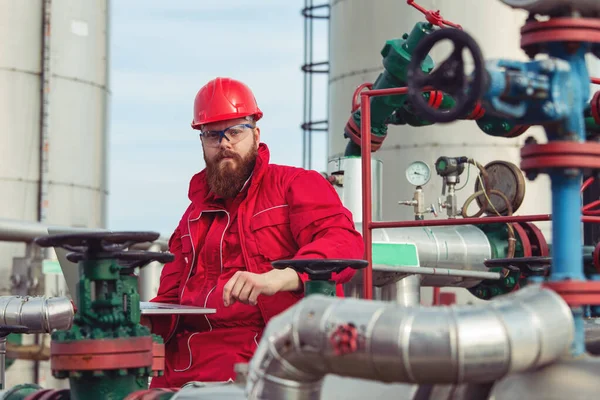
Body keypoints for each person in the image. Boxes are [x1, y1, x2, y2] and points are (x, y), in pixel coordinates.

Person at [143, 77, 364, 388]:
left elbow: (343, 243)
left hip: (269, 362)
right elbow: (168, 301)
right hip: (182, 370)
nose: (224, 144)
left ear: (256, 134)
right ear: (202, 142)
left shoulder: (295, 185)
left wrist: (278, 277)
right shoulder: (192, 217)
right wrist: (122, 316)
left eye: (235, 131)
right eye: (212, 135)